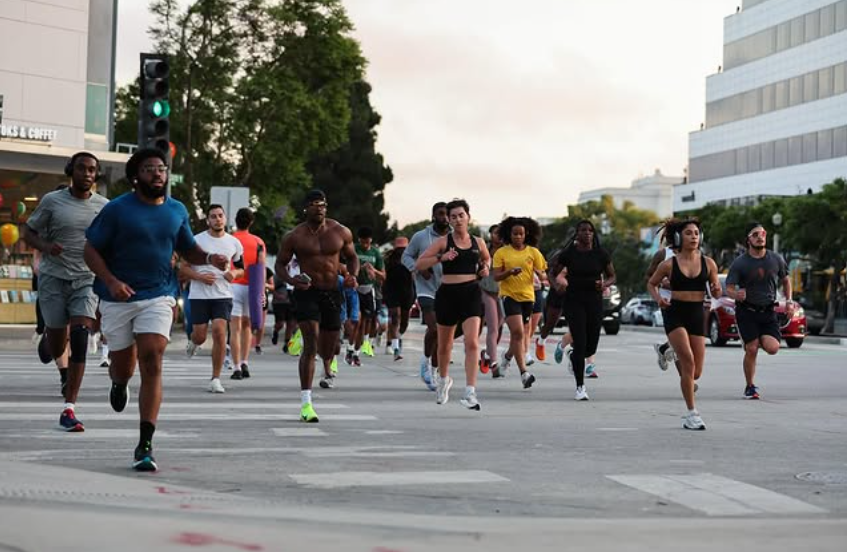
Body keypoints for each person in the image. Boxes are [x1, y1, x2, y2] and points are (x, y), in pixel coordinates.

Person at [84, 148, 229, 471]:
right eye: (150, 169)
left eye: (161, 169)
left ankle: (145, 444)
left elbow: (188, 249)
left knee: (152, 357)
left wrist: (210, 259)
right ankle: (119, 383)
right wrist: (109, 281)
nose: (158, 174)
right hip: (118, 297)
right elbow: (90, 249)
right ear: (136, 176)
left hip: (159, 294)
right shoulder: (118, 210)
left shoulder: (176, 210)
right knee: (123, 366)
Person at [23, 152, 109, 432]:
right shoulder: (52, 201)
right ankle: (50, 339)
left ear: (96, 175)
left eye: (92, 170)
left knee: (82, 334)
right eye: (82, 168)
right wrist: (47, 247)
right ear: (71, 171)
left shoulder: (104, 207)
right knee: (59, 345)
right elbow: (29, 233)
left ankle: (69, 408)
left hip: (85, 279)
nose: (87, 173)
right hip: (53, 279)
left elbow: (113, 241)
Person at [275, 190, 359, 423]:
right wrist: (293, 281)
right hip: (306, 292)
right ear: (305, 208)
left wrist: (352, 275)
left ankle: (321, 354)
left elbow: (352, 257)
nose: (319, 208)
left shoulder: (340, 231)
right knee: (311, 345)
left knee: (328, 350)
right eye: (314, 204)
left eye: (322, 204)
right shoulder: (295, 236)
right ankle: (306, 403)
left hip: (332, 292)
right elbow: (280, 265)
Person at [416, 199, 490, 410]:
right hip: (447, 294)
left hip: (471, 293)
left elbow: (486, 259)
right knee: (444, 343)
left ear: (468, 217)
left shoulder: (478, 242)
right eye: (453, 216)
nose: (458, 220)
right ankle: (443, 380)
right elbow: (420, 263)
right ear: (448, 220)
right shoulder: (443, 242)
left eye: (461, 215)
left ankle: (470, 392)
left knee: (472, 342)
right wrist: (441, 257)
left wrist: (485, 268)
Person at [648, 218, 720, 430]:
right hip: (675, 312)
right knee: (687, 362)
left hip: (697, 314)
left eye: (697, 233)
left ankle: (667, 349)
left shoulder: (709, 263)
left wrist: (716, 290)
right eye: (688, 233)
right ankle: (692, 413)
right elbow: (651, 283)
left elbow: (716, 289)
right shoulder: (669, 264)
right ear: (679, 237)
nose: (694, 237)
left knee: (696, 373)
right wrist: (659, 299)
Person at [725, 222, 795, 400]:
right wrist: (736, 294)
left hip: (768, 311)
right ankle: (749, 387)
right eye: (755, 234)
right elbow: (729, 288)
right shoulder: (740, 263)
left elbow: (786, 281)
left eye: (762, 233)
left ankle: (753, 340)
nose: (760, 237)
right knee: (752, 349)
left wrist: (789, 301)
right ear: (748, 240)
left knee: (773, 348)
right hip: (746, 311)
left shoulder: (775, 259)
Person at [550, 219, 616, 401]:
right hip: (573, 300)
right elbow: (552, 272)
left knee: (590, 345)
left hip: (594, 300)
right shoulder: (568, 253)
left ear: (593, 234)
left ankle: (574, 356)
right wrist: (557, 286)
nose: (587, 233)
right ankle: (580, 387)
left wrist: (604, 284)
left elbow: (612, 276)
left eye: (590, 230)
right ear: (577, 234)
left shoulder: (601, 254)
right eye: (583, 230)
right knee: (580, 341)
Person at [181, 204, 244, 393]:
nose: (217, 219)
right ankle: (194, 342)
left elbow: (242, 268)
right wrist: (200, 277)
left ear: (225, 218)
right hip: (199, 294)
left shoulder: (234, 243)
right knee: (200, 336)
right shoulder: (196, 241)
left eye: (220, 216)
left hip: (223, 295)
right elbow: (183, 268)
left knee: (219, 332)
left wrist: (234, 273)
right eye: (213, 216)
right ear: (207, 220)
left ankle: (215, 378)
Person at [492, 216, 547, 389]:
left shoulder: (533, 252)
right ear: (509, 234)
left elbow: (544, 274)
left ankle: (507, 358)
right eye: (515, 234)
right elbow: (495, 276)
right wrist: (508, 273)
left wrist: (540, 274)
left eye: (521, 234)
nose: (517, 237)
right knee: (517, 333)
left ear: (526, 234)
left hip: (528, 297)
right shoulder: (502, 252)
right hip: (509, 296)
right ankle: (524, 373)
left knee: (520, 336)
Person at [402, 202, 450, 390]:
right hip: (425, 289)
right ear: (433, 216)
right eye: (440, 214)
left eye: (447, 214)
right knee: (434, 328)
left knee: (442, 334)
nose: (444, 217)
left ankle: (434, 366)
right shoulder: (421, 236)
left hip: (447, 289)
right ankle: (427, 364)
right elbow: (406, 256)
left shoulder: (455, 237)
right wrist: (418, 269)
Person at [230, 207, 266, 380]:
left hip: (232, 285)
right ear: (251, 222)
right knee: (247, 327)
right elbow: (261, 267)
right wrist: (262, 293)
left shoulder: (230, 239)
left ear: (236, 220)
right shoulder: (258, 241)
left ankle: (236, 367)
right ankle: (245, 362)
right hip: (252, 287)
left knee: (234, 328)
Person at [646, 220, 679, 372]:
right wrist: (662, 282)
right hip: (669, 303)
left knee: (682, 343)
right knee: (679, 345)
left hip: (691, 303)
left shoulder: (695, 254)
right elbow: (649, 277)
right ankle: (688, 381)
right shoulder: (663, 254)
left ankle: (663, 348)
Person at [351, 227, 385, 365]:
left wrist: (373, 270)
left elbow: (383, 276)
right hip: (354, 288)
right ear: (359, 240)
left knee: (366, 321)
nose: (365, 244)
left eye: (367, 241)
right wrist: (359, 268)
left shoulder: (375, 253)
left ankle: (357, 351)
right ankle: (351, 347)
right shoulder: (353, 249)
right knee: (356, 321)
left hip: (369, 289)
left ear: (371, 240)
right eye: (362, 241)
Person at [383, 236, 415, 361]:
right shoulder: (389, 260)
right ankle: (395, 347)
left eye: (404, 248)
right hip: (392, 291)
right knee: (395, 317)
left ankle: (396, 337)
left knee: (404, 322)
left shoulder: (411, 258)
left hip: (407, 292)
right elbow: (383, 275)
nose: (401, 251)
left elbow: (415, 273)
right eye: (399, 248)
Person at [479, 224, 505, 376]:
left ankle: (487, 355)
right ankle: (494, 365)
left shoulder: (507, 250)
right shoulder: (484, 250)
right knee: (493, 328)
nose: (497, 236)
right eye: (495, 233)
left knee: (499, 328)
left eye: (500, 233)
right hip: (486, 290)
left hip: (502, 292)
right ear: (490, 234)